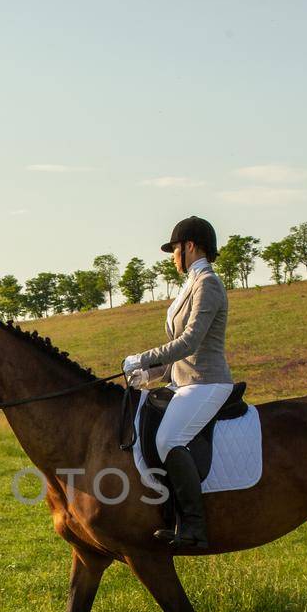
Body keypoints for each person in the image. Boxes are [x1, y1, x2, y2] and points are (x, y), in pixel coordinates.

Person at [123, 215, 234, 547]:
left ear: (189, 246)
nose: (172, 257)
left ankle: (194, 528)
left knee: (169, 439)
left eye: (174, 250)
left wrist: (142, 357)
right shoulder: (190, 286)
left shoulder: (208, 284)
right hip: (183, 382)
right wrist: (151, 375)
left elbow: (190, 342)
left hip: (207, 381)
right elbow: (178, 356)